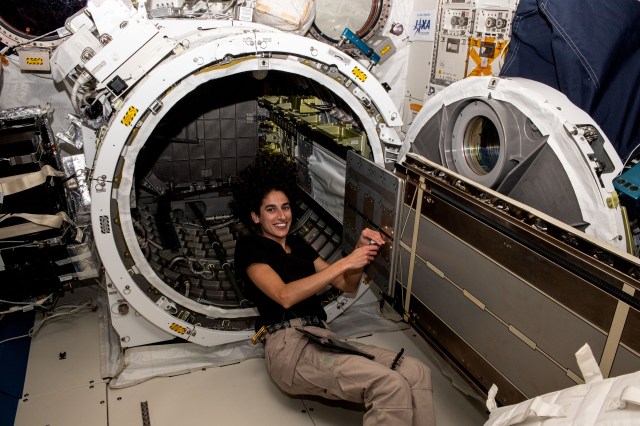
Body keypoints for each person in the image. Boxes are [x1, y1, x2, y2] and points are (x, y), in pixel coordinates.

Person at [232, 151, 435, 426]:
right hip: (288, 345)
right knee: (389, 384)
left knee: (416, 371)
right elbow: (285, 296)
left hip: (321, 336)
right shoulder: (250, 247)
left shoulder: (299, 245)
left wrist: (359, 250)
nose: (281, 216)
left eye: (286, 207)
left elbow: (346, 285)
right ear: (255, 216)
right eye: (271, 209)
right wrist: (344, 263)